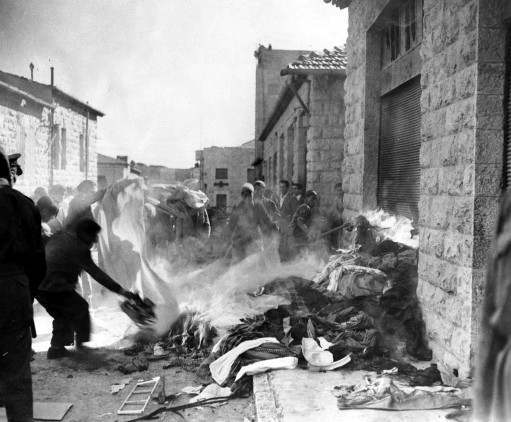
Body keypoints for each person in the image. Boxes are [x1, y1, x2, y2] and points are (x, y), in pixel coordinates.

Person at [36, 218, 135, 359]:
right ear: (85, 234)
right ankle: (81, 348)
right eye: (94, 236)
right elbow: (97, 274)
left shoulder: (62, 236)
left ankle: (56, 349)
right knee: (80, 308)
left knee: (62, 314)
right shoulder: (79, 248)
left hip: (39, 286)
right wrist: (121, 291)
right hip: (54, 286)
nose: (95, 241)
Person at [0, 149, 46, 422]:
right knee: (17, 372)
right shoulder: (25, 204)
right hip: (14, 291)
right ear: (8, 174)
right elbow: (39, 263)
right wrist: (25, 294)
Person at [227, 183, 277, 262]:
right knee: (240, 264)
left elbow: (267, 221)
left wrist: (273, 228)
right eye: (245, 196)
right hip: (241, 241)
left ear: (252, 195)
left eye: (249, 195)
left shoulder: (258, 206)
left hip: (254, 241)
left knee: (255, 262)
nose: (247, 198)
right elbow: (231, 225)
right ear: (243, 196)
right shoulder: (238, 208)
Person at [290, 190, 320, 256]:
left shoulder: (307, 208)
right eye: (312, 198)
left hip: (299, 238)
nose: (314, 201)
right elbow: (299, 222)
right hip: (297, 238)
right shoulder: (305, 207)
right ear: (307, 198)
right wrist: (309, 233)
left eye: (315, 199)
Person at [326, 182, 344, 250]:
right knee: (335, 240)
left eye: (341, 190)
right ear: (335, 191)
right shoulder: (335, 200)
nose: (340, 192)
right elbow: (333, 212)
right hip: (335, 223)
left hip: (340, 223)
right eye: (338, 190)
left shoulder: (343, 199)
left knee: (339, 239)